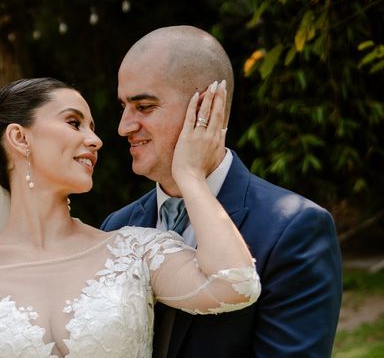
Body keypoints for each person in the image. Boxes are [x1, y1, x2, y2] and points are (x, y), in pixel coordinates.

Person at [0, 77, 260, 358]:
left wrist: (190, 175)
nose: (96, 140)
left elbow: (236, 283)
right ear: (19, 138)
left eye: (92, 127)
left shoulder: (134, 251)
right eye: (74, 123)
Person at [102, 26, 342, 358]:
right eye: (124, 107)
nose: (124, 126)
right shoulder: (116, 227)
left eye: (143, 106)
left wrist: (190, 176)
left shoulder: (294, 229)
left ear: (205, 107)